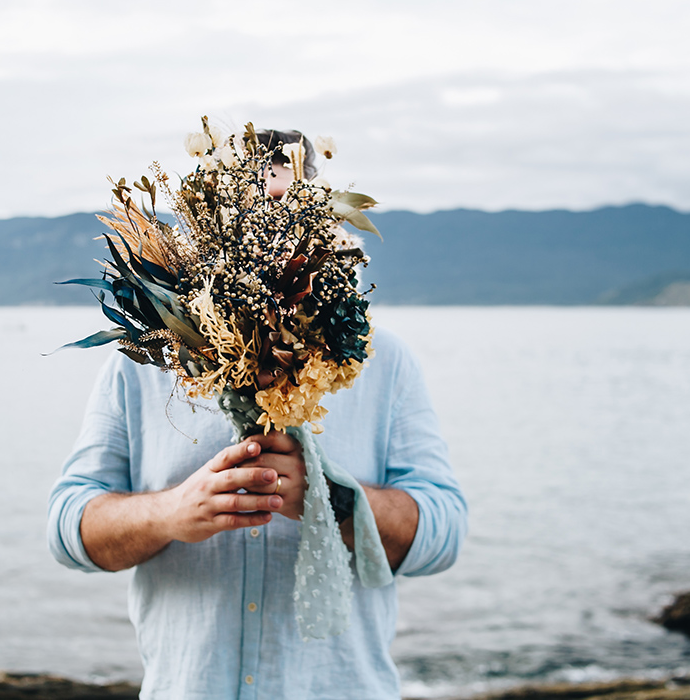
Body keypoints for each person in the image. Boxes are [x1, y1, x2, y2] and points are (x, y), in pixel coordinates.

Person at [48, 129, 468, 700]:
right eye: (249, 220)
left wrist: (331, 499)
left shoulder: (383, 360)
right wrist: (170, 513)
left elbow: (443, 536)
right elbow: (68, 529)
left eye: (287, 219)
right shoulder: (145, 363)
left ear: (323, 225)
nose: (272, 243)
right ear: (211, 230)